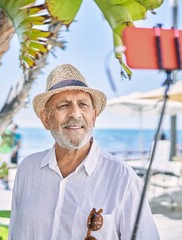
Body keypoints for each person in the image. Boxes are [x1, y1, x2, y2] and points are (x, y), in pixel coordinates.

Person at [9, 64, 159, 239]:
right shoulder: (28, 169)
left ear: (94, 117)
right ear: (46, 119)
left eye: (83, 104)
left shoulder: (122, 178)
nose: (75, 114)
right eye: (64, 105)